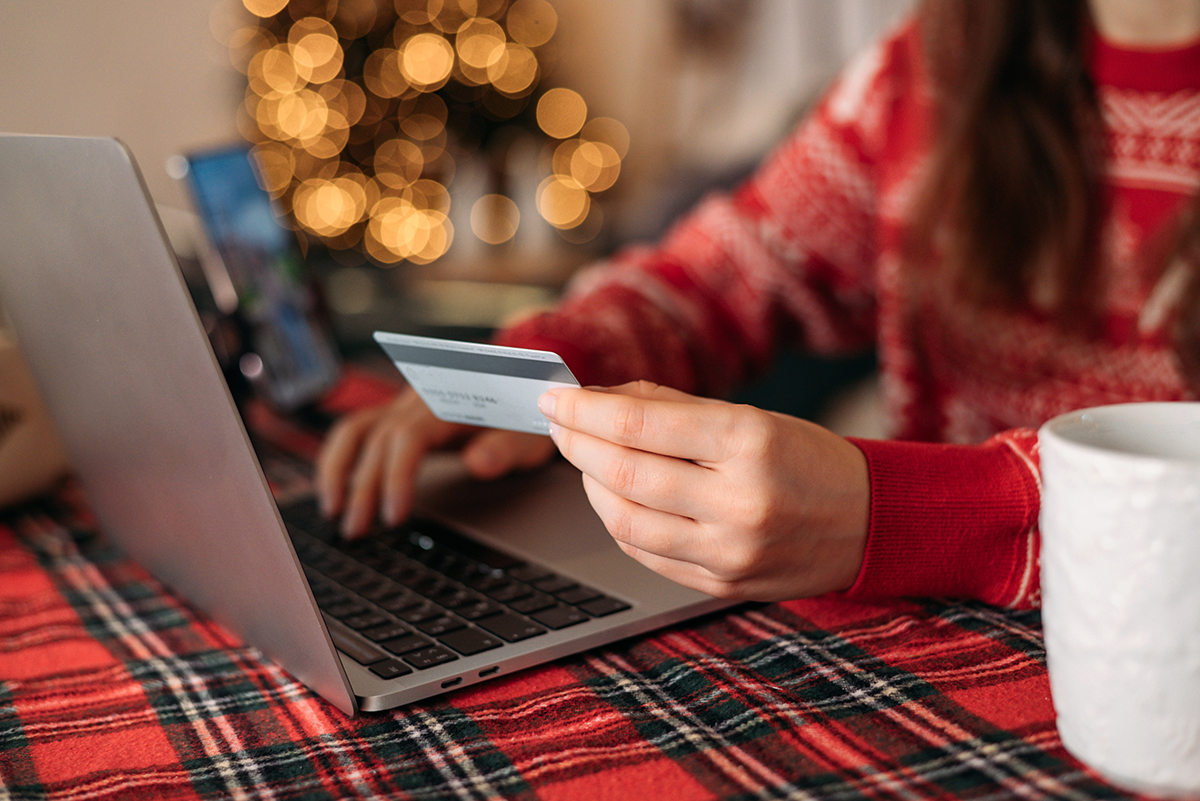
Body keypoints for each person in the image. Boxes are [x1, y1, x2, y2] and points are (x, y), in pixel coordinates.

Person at [316, 0, 1200, 609]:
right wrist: (526, 375)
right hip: (934, 666)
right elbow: (724, 274)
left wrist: (894, 514)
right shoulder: (931, 66)